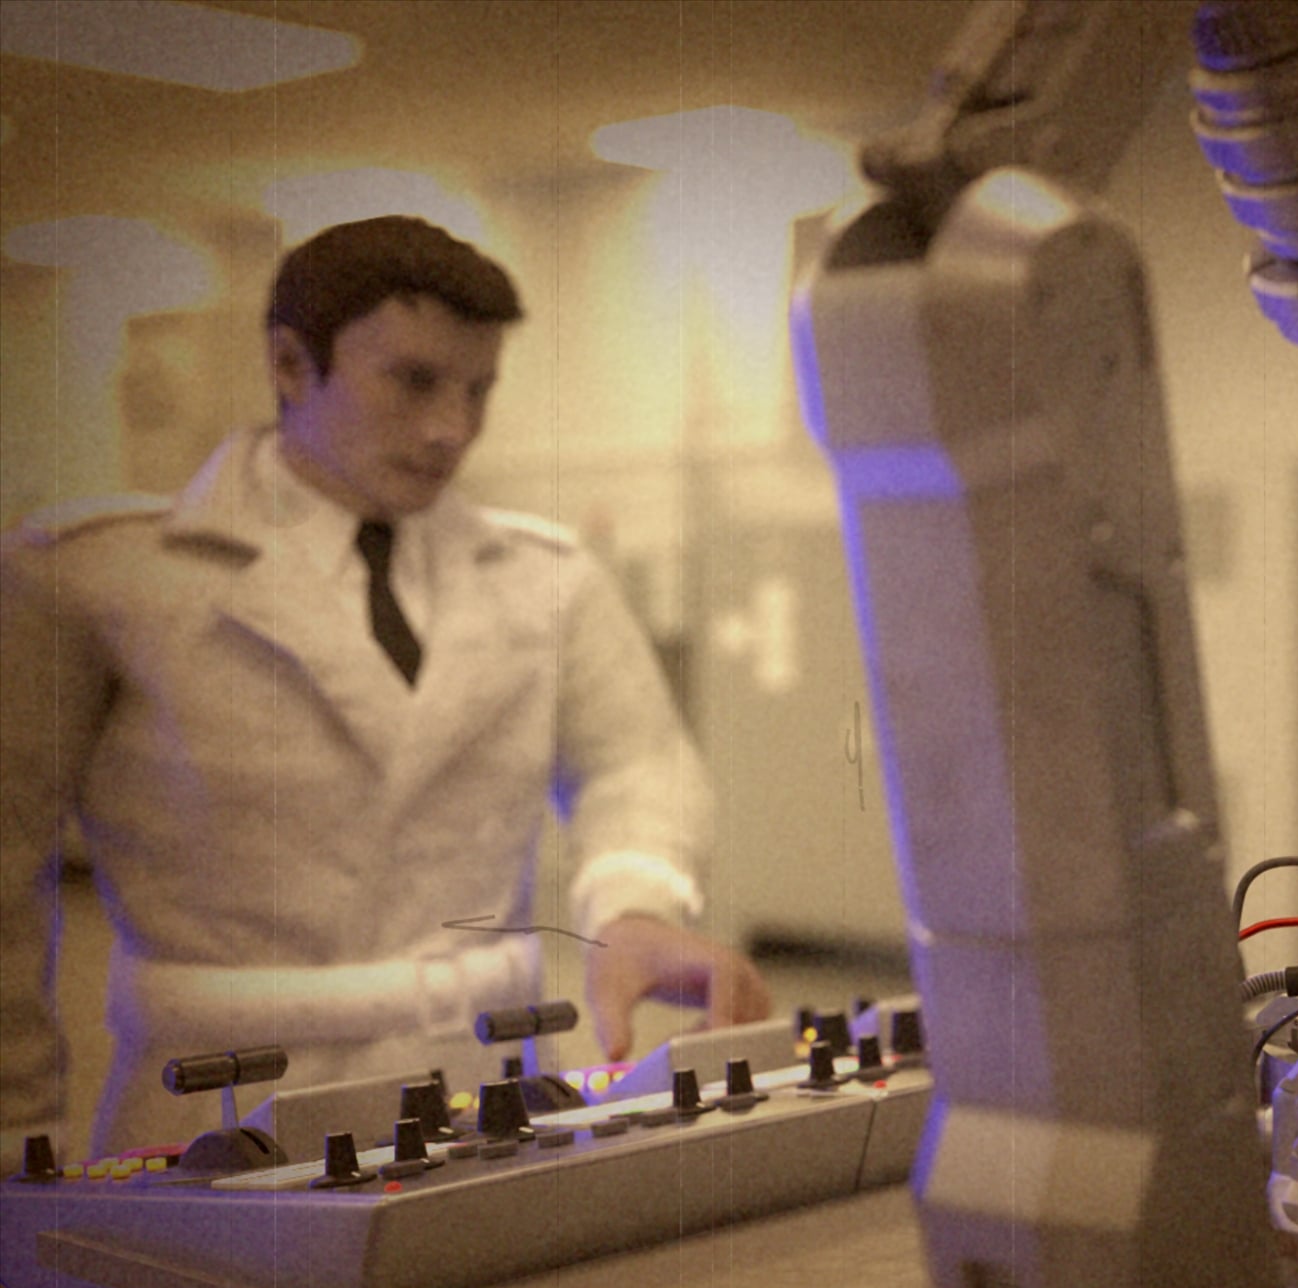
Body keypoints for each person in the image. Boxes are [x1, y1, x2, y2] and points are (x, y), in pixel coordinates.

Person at [0, 216, 771, 1157]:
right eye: (413, 380)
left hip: (493, 1080)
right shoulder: (101, 578)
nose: (452, 429)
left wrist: (634, 905)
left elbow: (635, 763)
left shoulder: (547, 577)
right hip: (219, 1105)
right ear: (291, 365)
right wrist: (14, 1134)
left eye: (478, 389)